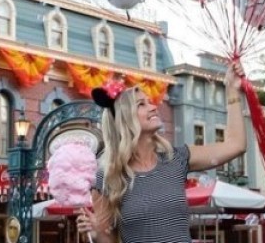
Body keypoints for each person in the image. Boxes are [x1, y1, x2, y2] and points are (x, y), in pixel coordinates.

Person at [76, 61, 247, 243]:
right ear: (124, 119)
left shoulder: (176, 158)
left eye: (150, 102)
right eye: (141, 104)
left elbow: (236, 145)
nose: (153, 107)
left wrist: (232, 89)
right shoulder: (107, 176)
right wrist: (96, 233)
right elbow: (107, 239)